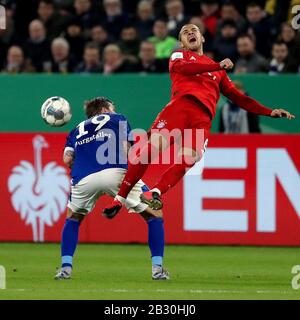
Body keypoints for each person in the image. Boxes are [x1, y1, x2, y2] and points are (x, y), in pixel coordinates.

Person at [104, 23, 295, 216]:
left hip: (202, 119)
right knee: (149, 150)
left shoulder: (219, 73)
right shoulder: (180, 56)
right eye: (185, 33)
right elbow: (186, 68)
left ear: (202, 38)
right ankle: (119, 199)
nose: (189, 33)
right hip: (180, 109)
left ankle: (156, 191)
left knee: (189, 158)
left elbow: (239, 98)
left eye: (193, 30)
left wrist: (269, 111)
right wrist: (217, 64)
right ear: (182, 42)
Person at [55, 97, 169, 281]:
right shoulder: (118, 119)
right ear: (105, 110)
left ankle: (65, 269)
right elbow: (127, 149)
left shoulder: (75, 130)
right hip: (116, 172)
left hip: (83, 178)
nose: (114, 111)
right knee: (155, 214)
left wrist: (86, 163)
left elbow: (67, 159)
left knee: (73, 218)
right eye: (112, 108)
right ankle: (157, 270)